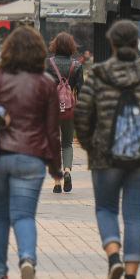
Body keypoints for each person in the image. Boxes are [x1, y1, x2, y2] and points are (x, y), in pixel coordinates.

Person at [74, 20, 140, 279]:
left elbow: (83, 116)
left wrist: (91, 147)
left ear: (113, 44)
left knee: (106, 209)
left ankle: (113, 257)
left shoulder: (97, 74)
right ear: (135, 42)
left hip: (105, 156)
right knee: (135, 215)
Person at [0, 26, 61, 279]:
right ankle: (27, 259)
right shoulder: (46, 82)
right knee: (24, 215)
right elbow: (52, 130)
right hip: (31, 158)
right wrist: (56, 167)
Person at [45, 32, 83, 194]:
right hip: (68, 109)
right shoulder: (77, 66)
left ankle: (57, 181)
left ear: (55, 46)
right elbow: (82, 91)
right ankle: (67, 170)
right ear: (71, 47)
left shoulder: (47, 63)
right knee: (67, 143)